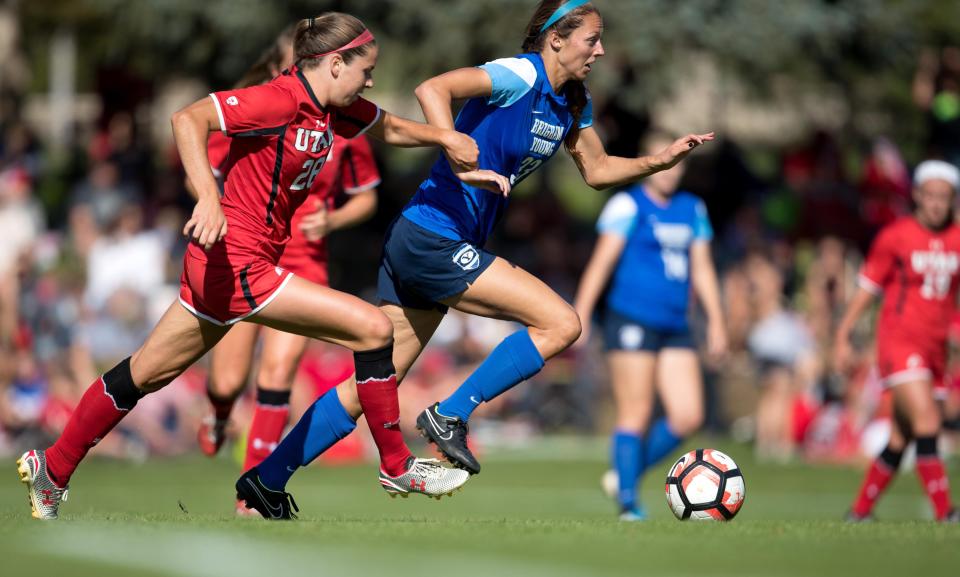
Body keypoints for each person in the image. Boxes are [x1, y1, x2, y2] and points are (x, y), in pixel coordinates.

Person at [16, 12, 493, 520]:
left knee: (143, 375)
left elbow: (390, 128)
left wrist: (444, 139)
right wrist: (207, 198)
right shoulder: (279, 98)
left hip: (228, 267)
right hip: (238, 263)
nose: (370, 80)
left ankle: (53, 467)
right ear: (334, 64)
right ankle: (396, 465)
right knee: (374, 328)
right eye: (366, 70)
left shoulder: (333, 108)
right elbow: (187, 119)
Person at [247, 0, 712, 504]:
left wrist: (659, 161)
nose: (599, 50)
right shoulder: (517, 74)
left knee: (373, 386)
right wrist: (454, 148)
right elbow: (433, 88)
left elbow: (597, 171)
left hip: (428, 239)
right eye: (591, 39)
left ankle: (266, 479)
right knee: (561, 323)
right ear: (556, 38)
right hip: (433, 237)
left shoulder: (572, 99)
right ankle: (450, 413)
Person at [190, 27, 382, 516]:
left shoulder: (342, 122)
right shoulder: (261, 108)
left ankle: (250, 494)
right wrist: (212, 205)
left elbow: (367, 198)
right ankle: (218, 413)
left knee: (278, 374)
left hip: (303, 259)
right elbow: (209, 166)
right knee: (229, 382)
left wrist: (332, 218)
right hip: (245, 254)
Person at [572, 133, 726, 520]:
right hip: (631, 319)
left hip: (675, 323)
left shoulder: (693, 208)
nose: (672, 170)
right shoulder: (628, 204)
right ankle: (629, 503)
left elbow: (703, 268)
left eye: (680, 162)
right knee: (636, 413)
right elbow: (601, 263)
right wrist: (582, 313)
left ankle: (626, 474)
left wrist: (717, 322)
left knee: (688, 415)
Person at [836, 159, 960, 522]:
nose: (936, 203)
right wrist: (843, 335)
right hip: (899, 344)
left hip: (936, 349)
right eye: (930, 195)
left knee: (901, 437)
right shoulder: (896, 236)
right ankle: (947, 513)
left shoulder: (956, 238)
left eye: (945, 196)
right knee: (927, 422)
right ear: (917, 196)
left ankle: (859, 512)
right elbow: (867, 289)